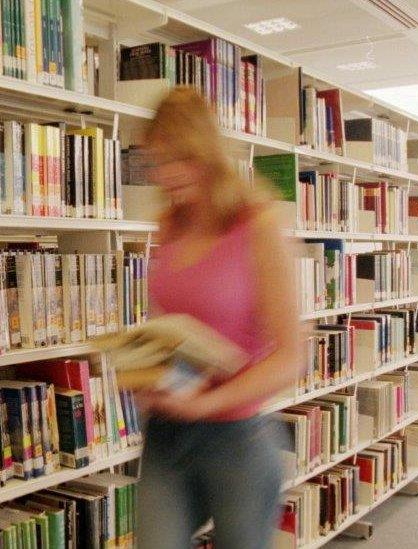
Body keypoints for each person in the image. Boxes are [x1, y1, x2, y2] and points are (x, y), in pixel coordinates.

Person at [137, 88, 302, 549]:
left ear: (206, 154)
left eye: (177, 160)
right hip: (167, 435)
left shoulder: (258, 227)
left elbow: (290, 358)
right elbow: (170, 329)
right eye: (157, 162)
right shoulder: (168, 226)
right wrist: (146, 369)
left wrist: (206, 404)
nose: (165, 176)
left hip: (237, 439)